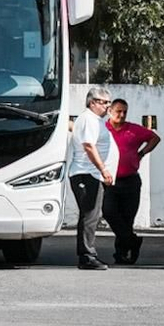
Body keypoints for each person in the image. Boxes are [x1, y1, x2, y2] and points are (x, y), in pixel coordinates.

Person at [104, 97, 161, 265]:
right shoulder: (103, 129)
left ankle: (121, 254)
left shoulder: (133, 130)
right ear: (110, 111)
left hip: (130, 180)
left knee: (127, 219)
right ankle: (133, 241)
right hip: (110, 180)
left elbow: (155, 138)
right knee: (109, 212)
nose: (121, 115)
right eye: (118, 111)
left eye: (124, 112)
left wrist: (142, 153)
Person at [64, 86, 115, 270]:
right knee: (89, 215)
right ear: (92, 102)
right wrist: (103, 170)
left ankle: (88, 253)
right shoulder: (88, 119)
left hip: (92, 174)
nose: (107, 106)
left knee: (92, 214)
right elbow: (89, 146)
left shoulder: (96, 120)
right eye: (104, 102)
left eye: (109, 102)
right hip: (86, 173)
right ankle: (87, 255)